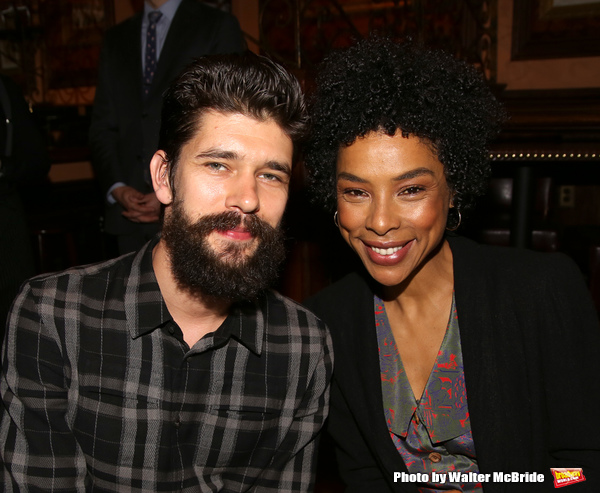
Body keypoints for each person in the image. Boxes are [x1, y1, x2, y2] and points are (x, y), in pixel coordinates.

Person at [1, 52, 332, 492]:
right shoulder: (53, 318)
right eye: (218, 165)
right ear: (163, 177)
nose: (248, 198)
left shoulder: (303, 347)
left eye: (271, 176)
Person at [304, 37, 600, 492]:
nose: (380, 222)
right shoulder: (330, 321)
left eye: (411, 190)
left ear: (453, 189)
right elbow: (363, 474)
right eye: (356, 192)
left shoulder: (540, 291)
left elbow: (584, 467)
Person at [90, 0, 245, 255]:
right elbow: (103, 125)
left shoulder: (215, 26)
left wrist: (169, 188)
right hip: (128, 216)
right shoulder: (116, 38)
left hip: (192, 210)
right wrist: (117, 188)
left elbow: (224, 122)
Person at [0, 75, 50, 337]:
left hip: (6, 224)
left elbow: (37, 160)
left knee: (13, 323)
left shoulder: (4, 90)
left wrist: (4, 168)